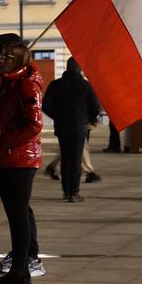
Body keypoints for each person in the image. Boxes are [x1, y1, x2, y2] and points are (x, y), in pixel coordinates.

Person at [0, 42, 44, 284]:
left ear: (15, 59)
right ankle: (20, 268)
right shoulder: (7, 84)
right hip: (6, 157)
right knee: (16, 213)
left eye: (3, 56)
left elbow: (34, 125)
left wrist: (5, 141)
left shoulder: (26, 85)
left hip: (19, 158)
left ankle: (20, 269)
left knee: (18, 214)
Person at [43, 57, 101, 203]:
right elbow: (95, 107)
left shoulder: (56, 85)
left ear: (67, 68)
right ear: (79, 68)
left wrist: (57, 115)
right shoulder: (85, 85)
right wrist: (88, 118)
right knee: (75, 160)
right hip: (79, 127)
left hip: (62, 127)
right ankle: (74, 192)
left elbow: (45, 105)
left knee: (66, 159)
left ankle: (66, 191)